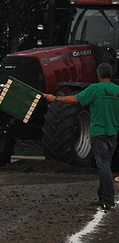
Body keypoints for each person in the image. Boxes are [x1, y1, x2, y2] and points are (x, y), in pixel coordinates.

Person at [45, 62, 119, 211]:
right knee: (105, 165)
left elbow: (75, 99)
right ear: (110, 75)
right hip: (112, 134)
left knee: (104, 166)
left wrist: (55, 99)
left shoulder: (94, 89)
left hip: (98, 133)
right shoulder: (117, 90)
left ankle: (109, 198)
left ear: (98, 74)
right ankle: (102, 197)